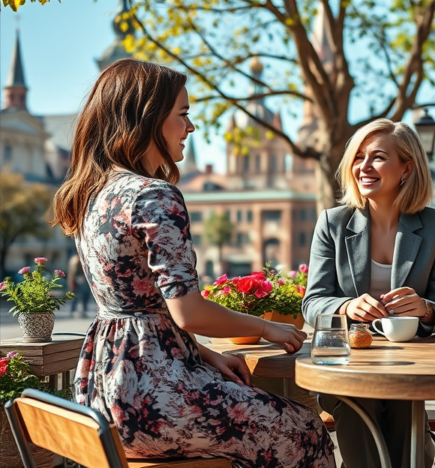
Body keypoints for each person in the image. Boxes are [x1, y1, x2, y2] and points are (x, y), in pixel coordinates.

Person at [51, 59, 335, 468]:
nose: (191, 127)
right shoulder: (154, 195)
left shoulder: (94, 194)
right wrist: (267, 327)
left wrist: (204, 354)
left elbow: (139, 311)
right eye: (182, 114)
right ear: (148, 118)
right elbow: (187, 310)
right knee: (305, 430)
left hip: (105, 393)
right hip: (155, 400)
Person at [302, 119, 435, 468]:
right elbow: (312, 304)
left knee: (404, 405)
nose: (363, 167)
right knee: (360, 403)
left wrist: (425, 309)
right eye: (358, 157)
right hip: (346, 367)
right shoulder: (332, 223)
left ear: (407, 167)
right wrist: (347, 305)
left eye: (377, 157)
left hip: (410, 367)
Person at [67, 252, 90, 318]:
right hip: (78, 280)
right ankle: (74, 310)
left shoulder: (82, 260)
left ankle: (82, 310)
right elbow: (73, 272)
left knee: (84, 296)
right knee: (77, 296)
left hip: (84, 279)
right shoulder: (75, 260)